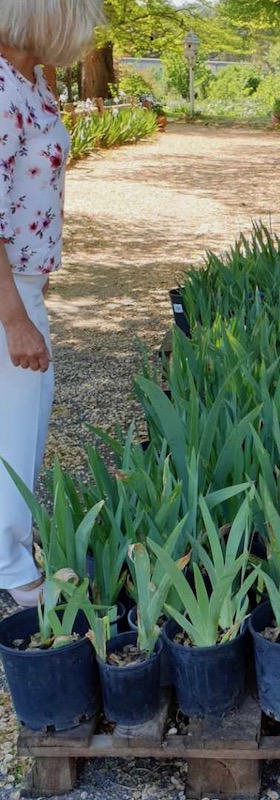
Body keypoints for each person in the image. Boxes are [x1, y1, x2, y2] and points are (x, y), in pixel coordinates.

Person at [0, 0, 105, 606]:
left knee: (26, 422)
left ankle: (13, 549)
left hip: (25, 281)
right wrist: (15, 319)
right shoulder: (2, 89)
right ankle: (14, 571)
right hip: (6, 291)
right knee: (16, 431)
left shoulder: (31, 80)